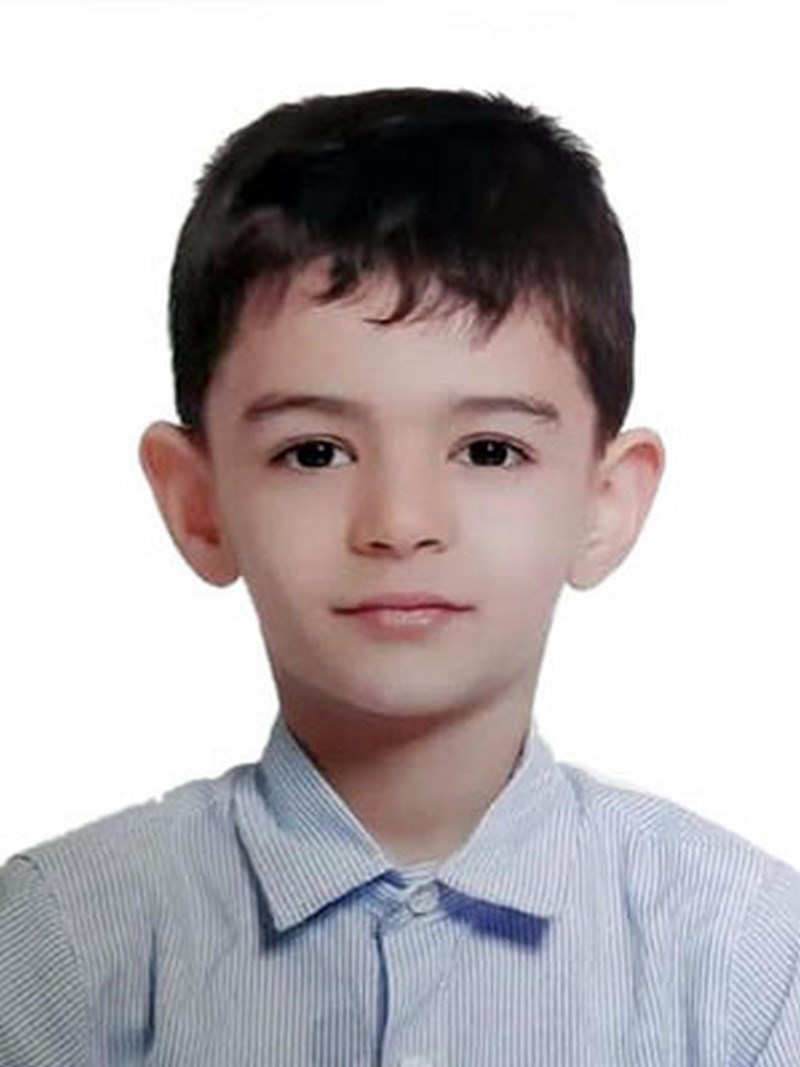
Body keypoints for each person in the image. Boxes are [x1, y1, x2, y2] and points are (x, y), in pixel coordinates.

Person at [0, 87, 797, 1067]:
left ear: (605, 501)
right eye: (314, 452)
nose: (400, 522)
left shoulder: (746, 958)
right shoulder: (60, 950)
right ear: (197, 501)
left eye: (490, 450)